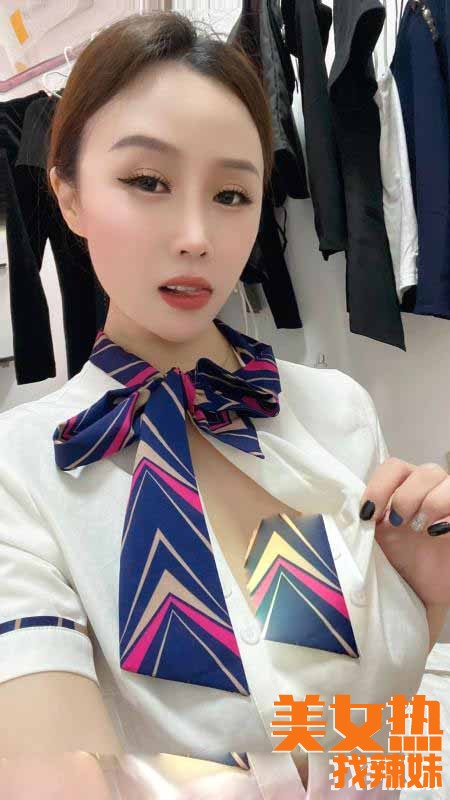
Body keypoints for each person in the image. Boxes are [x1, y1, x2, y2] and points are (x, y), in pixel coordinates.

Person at [0, 11, 449, 799]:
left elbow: (351, 715)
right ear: (67, 193)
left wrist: (432, 603)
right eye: (147, 182)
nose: (197, 236)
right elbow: (49, 772)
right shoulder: (20, 472)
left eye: (233, 193)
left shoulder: (333, 412)